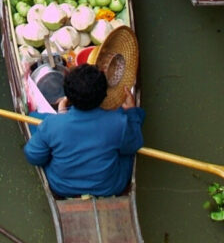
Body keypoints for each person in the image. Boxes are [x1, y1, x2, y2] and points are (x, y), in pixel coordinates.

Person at [23, 27, 144, 199]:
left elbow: (33, 156)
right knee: (126, 151)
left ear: (67, 96)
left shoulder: (52, 125)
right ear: (104, 95)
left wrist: (61, 117)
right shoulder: (119, 121)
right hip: (110, 186)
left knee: (34, 122)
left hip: (62, 186)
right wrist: (132, 113)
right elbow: (134, 145)